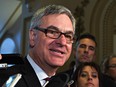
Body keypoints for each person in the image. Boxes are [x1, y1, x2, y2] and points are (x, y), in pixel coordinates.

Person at [0, 4, 76, 87]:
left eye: (68, 36)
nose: (62, 42)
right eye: (53, 32)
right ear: (33, 36)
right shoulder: (4, 79)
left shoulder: (65, 84)